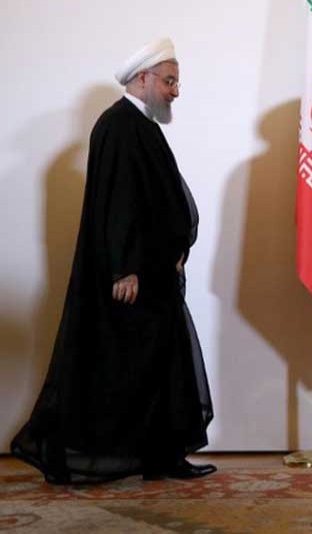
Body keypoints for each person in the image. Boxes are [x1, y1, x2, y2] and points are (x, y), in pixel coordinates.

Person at [12, 38, 215, 484]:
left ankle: (163, 457)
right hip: (134, 277)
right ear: (141, 79)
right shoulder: (120, 124)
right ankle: (80, 452)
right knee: (126, 367)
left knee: (164, 361)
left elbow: (158, 200)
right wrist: (125, 267)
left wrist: (176, 248)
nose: (175, 90)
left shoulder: (140, 125)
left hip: (155, 272)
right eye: (169, 81)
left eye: (176, 82)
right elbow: (118, 200)